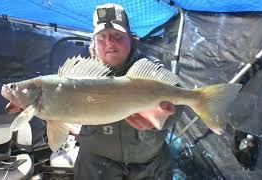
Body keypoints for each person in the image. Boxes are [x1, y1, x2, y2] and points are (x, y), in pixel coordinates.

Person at [73, 3, 181, 180]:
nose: (110, 43)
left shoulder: (151, 70)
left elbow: (177, 101)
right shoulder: (78, 74)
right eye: (102, 37)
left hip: (149, 165)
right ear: (93, 42)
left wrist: (157, 122)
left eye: (117, 35)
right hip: (96, 164)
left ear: (131, 38)